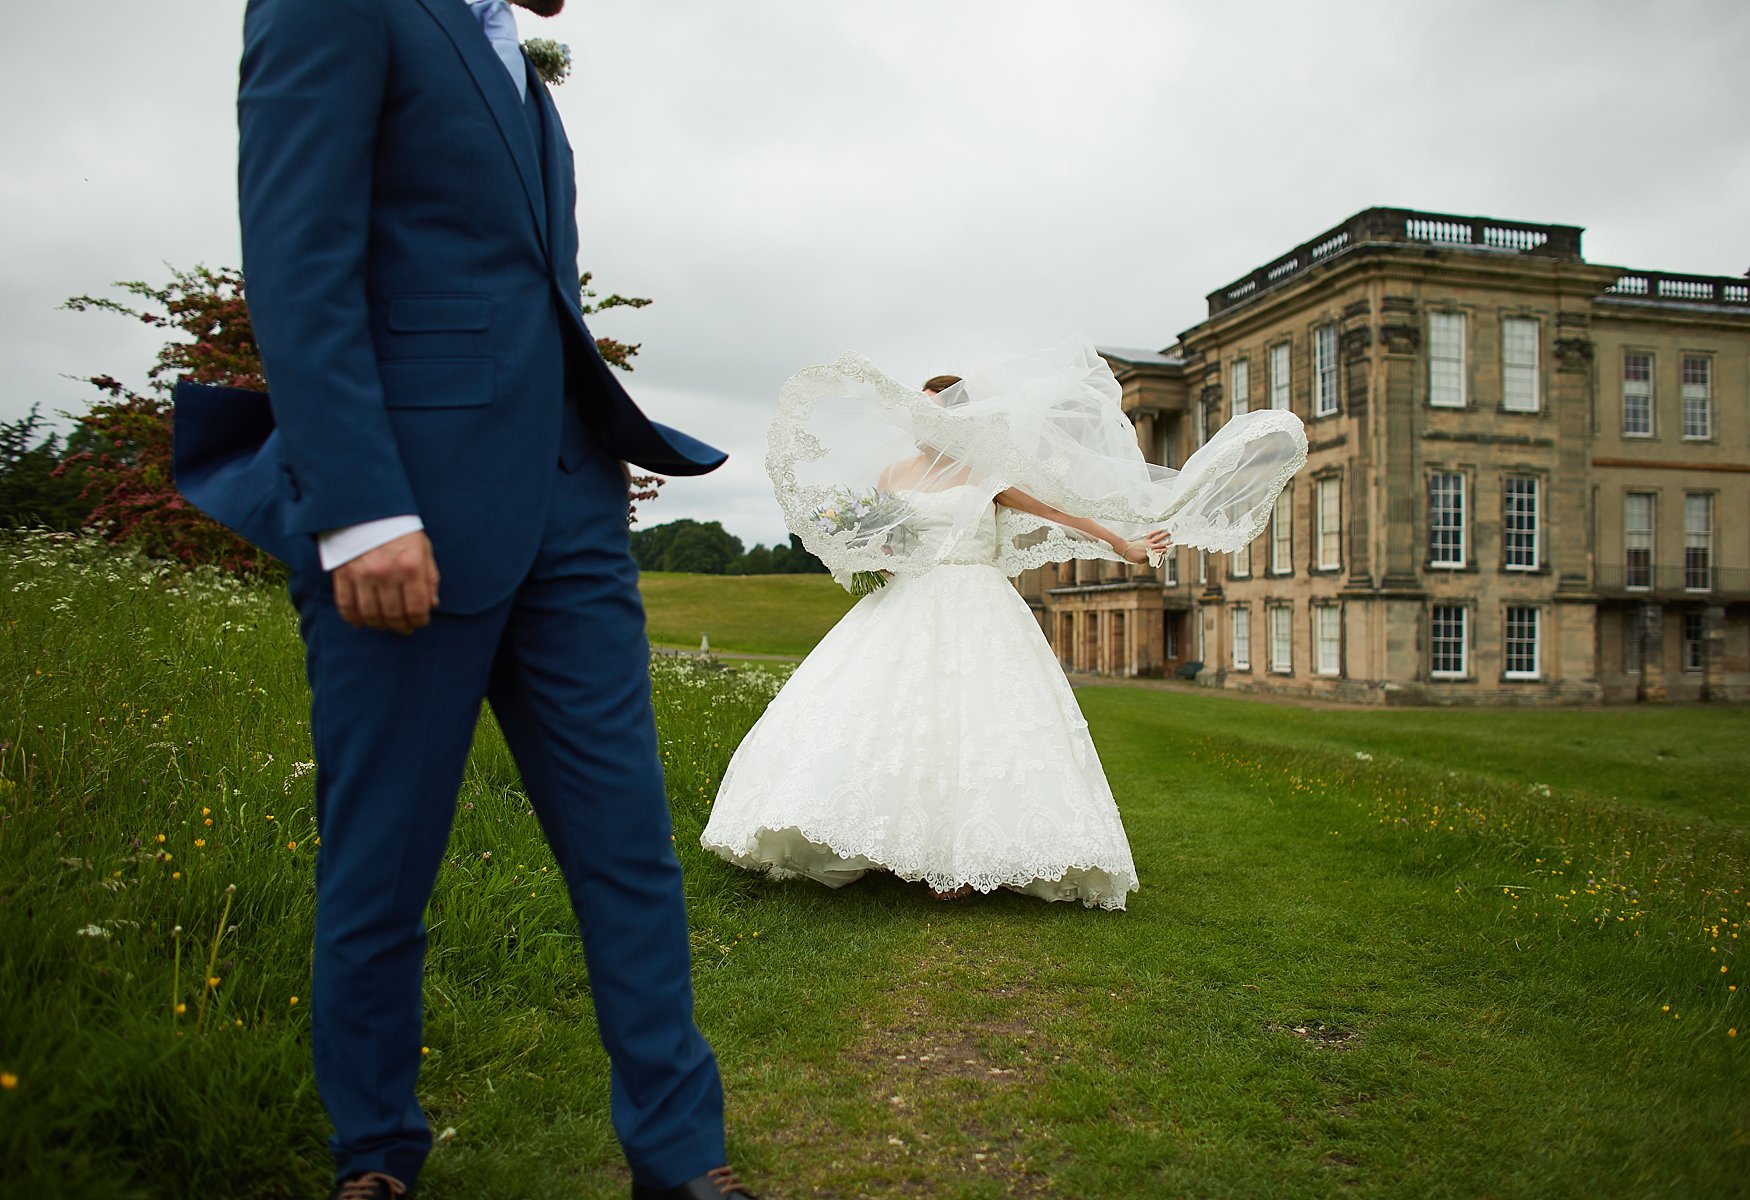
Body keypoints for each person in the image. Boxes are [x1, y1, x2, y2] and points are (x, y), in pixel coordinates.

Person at [172, 2, 753, 1197]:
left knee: (630, 851)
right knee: (381, 867)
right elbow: (299, 253)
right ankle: (376, 1157)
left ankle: (683, 1161)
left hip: (571, 513)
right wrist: (361, 507)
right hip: (405, 521)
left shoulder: (518, 70)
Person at [699, 341, 1307, 909]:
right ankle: (876, 842)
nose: (925, 418)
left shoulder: (985, 475)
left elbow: (1061, 512)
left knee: (978, 718)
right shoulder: (890, 475)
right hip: (906, 601)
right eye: (922, 409)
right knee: (889, 712)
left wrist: (1121, 543)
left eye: (939, 409)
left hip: (977, 602)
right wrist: (871, 556)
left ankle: (965, 860)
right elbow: (882, 539)